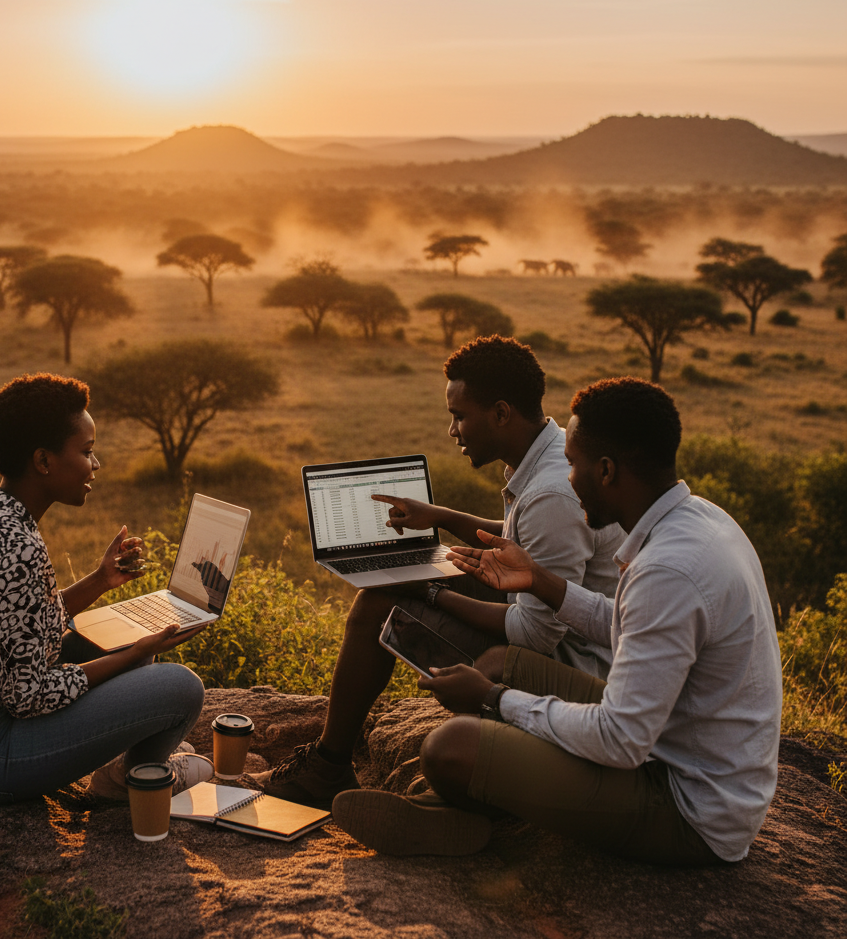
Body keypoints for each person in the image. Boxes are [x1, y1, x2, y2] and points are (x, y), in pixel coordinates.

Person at [332, 377, 783, 866]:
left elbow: (619, 740)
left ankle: (458, 798)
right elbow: (624, 620)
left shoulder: (667, 570)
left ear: (606, 470)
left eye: (572, 464)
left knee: (450, 747)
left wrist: (492, 701)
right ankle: (459, 810)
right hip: (667, 745)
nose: (567, 479)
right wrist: (539, 581)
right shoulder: (699, 520)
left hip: (686, 805)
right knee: (501, 662)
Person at [254, 336, 624, 810]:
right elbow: (515, 541)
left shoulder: (550, 493)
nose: (453, 430)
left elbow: (536, 635)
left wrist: (428, 590)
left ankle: (328, 767)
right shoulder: (544, 456)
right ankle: (335, 763)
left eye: (460, 415)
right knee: (425, 567)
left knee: (380, 601)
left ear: (502, 413)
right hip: (550, 626)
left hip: (572, 665)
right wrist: (442, 517)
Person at [0, 373, 212, 804]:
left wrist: (101, 580)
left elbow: (22, 623)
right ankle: (136, 778)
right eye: (86, 452)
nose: (96, 464)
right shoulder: (16, 547)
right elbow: (27, 696)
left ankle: (134, 761)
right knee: (180, 688)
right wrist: (132, 654)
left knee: (124, 646)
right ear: (43, 461)